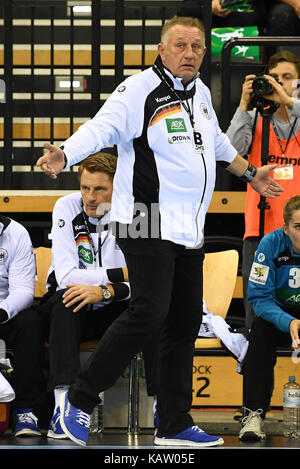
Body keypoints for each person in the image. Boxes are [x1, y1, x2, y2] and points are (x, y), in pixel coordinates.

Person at [36, 16, 283, 447]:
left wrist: (251, 175)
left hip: (188, 224)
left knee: (184, 321)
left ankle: (172, 423)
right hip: (144, 216)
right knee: (149, 310)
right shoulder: (139, 90)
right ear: (161, 49)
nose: (190, 54)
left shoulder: (201, 93)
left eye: (197, 47)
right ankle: (75, 402)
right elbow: (102, 127)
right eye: (181, 46)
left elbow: (219, 145)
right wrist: (67, 152)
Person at [37, 151, 158, 439]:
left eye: (100, 189)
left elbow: (150, 280)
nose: (90, 197)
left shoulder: (141, 212)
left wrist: (105, 290)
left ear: (119, 186)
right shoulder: (66, 206)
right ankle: (63, 407)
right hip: (72, 306)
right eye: (85, 188)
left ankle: (162, 407)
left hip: (117, 306)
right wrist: (121, 275)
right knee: (67, 301)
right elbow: (67, 276)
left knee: (153, 309)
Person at [227, 50, 300, 329]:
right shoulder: (256, 119)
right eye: (275, 78)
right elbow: (230, 153)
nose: (279, 83)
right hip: (261, 232)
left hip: (299, 230)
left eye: (288, 78)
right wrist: (245, 104)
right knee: (256, 318)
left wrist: (288, 101)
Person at [239, 195, 300, 441]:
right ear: (285, 228)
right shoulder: (269, 244)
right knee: (260, 331)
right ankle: (254, 414)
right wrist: (288, 322)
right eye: (298, 227)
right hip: (278, 316)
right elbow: (259, 298)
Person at [0, 215, 46, 436]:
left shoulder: (16, 233)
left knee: (30, 323)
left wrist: (2, 312)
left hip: (4, 311)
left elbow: (23, 291)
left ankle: (26, 410)